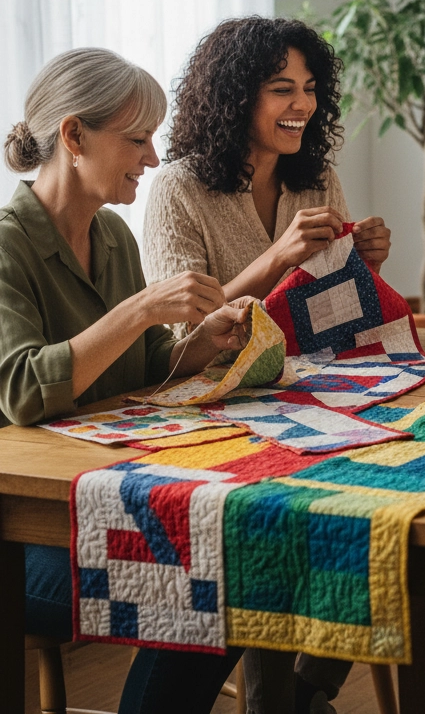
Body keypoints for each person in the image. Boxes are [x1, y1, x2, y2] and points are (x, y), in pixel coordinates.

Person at [142, 16, 392, 714]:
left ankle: (309, 687)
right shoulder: (178, 189)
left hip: (309, 399)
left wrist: (362, 266)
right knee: (277, 527)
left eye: (310, 89)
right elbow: (179, 337)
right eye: (282, 88)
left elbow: (337, 316)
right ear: (233, 97)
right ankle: (278, 699)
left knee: (383, 511)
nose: (303, 105)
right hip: (208, 414)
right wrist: (277, 257)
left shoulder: (318, 178)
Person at [1, 48, 254, 713]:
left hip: (101, 497)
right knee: (205, 582)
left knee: (237, 560)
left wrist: (198, 345)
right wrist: (140, 309)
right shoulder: (5, 248)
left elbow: (138, 374)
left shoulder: (112, 234)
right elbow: (25, 392)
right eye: (137, 139)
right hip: (23, 532)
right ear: (74, 136)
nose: (150, 159)